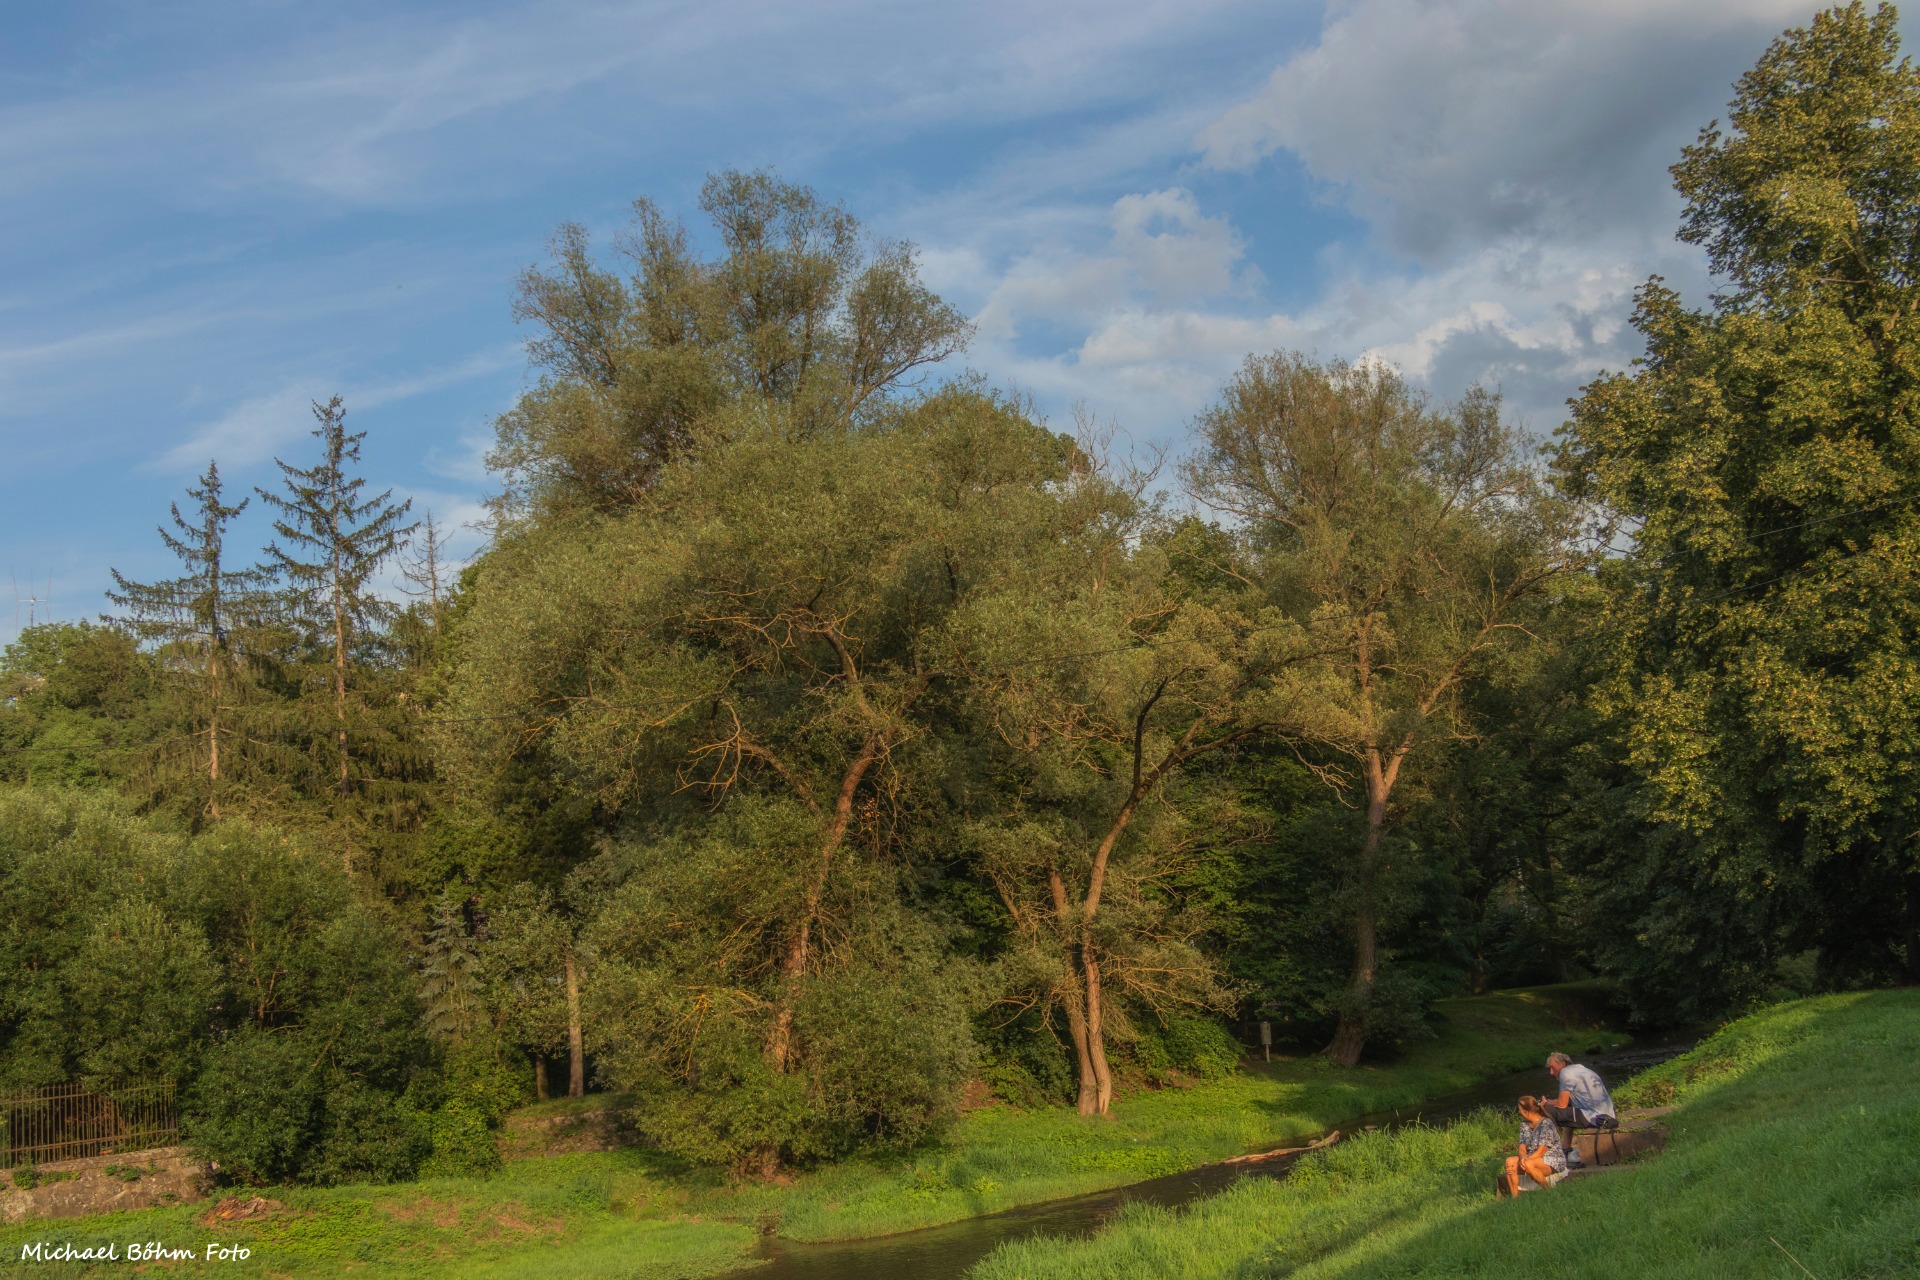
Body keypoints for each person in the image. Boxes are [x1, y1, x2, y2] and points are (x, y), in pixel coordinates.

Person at [1502, 1095, 1567, 1195]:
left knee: (1528, 1164)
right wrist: (1522, 1158)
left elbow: (1541, 1151)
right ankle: (1515, 1198)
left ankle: (1548, 1191)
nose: (1519, 1112)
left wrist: (1525, 1161)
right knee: (1509, 1162)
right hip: (1531, 1157)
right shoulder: (1524, 1125)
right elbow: (1522, 1147)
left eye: (1520, 1109)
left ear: (1526, 1110)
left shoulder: (1546, 1124)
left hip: (1551, 1158)